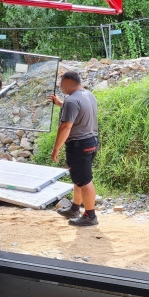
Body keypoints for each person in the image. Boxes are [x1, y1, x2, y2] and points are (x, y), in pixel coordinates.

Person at [46, 71, 100, 227]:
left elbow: (66, 126)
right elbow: (78, 110)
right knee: (79, 177)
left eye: (61, 82)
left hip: (79, 145)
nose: (59, 85)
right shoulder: (88, 95)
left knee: (84, 180)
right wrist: (61, 104)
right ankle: (75, 208)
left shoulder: (71, 101)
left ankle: (90, 216)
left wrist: (56, 148)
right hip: (91, 141)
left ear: (68, 83)